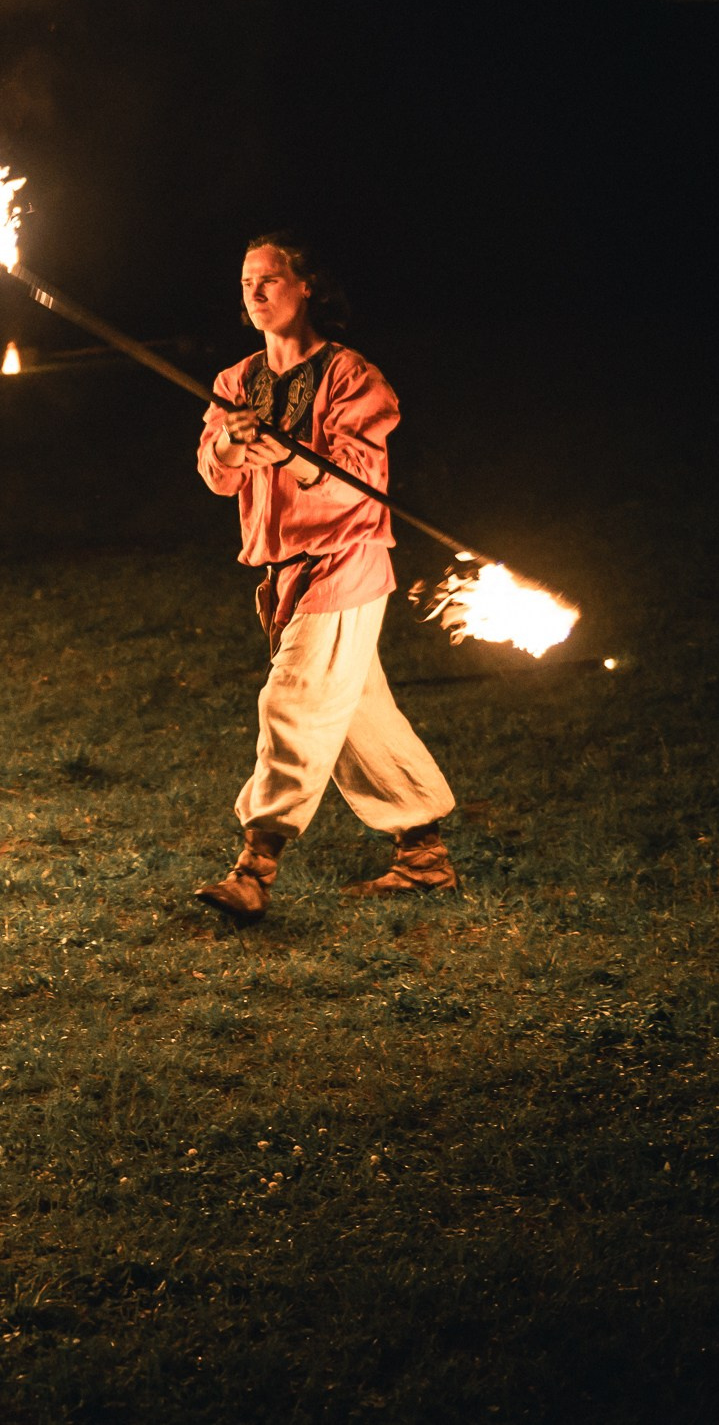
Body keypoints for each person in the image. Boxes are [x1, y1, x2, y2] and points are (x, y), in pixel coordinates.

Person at [192, 235, 459, 923]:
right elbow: (215, 475)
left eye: (270, 278)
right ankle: (424, 855)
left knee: (295, 700)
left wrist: (287, 451)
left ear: (305, 285)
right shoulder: (234, 381)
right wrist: (231, 443)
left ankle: (256, 867)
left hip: (347, 557)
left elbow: (360, 484)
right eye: (246, 280)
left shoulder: (350, 377)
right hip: (281, 571)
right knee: (358, 716)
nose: (255, 293)